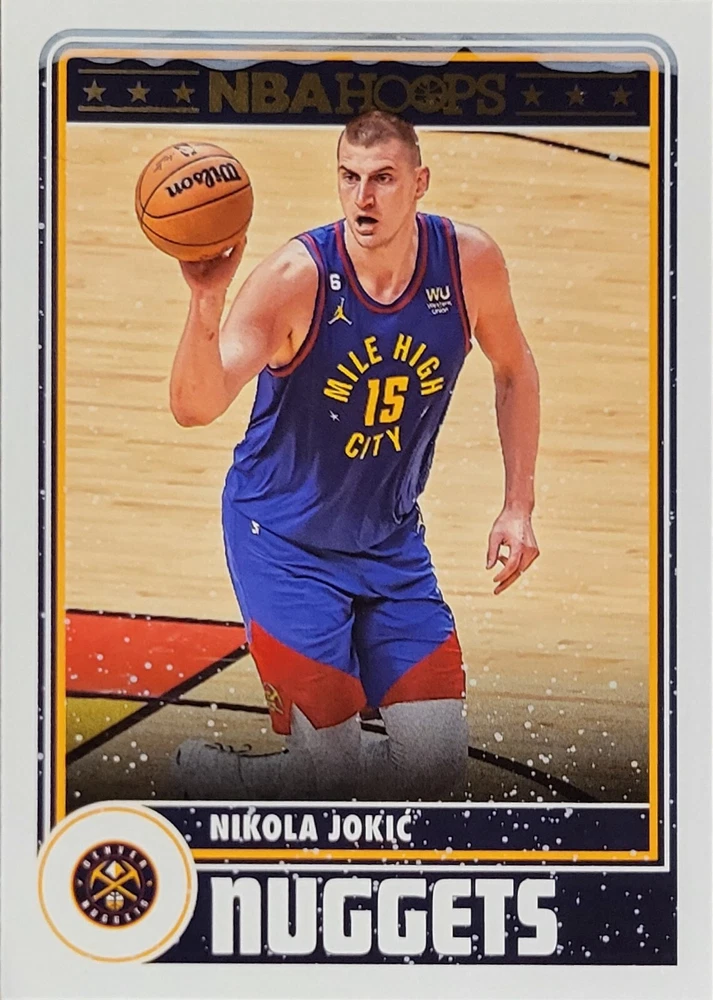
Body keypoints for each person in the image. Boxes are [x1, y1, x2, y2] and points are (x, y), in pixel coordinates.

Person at [169, 110, 540, 802]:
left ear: (419, 183)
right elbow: (196, 405)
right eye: (349, 177)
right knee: (332, 775)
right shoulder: (295, 277)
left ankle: (278, 771)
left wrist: (518, 504)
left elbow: (514, 370)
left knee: (435, 773)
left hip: (389, 543)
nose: (362, 197)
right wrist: (206, 301)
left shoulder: (468, 263)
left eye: (382, 179)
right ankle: (212, 775)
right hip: (283, 544)